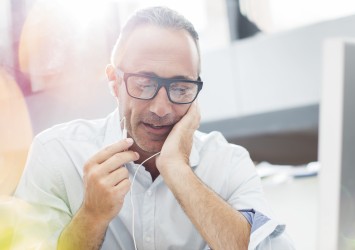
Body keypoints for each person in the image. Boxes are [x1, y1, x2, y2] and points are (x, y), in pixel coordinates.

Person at [14, 6, 294, 250]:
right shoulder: (57, 154)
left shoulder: (229, 162)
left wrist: (179, 172)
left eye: (181, 87)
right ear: (114, 81)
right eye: (144, 83)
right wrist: (91, 216)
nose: (161, 108)